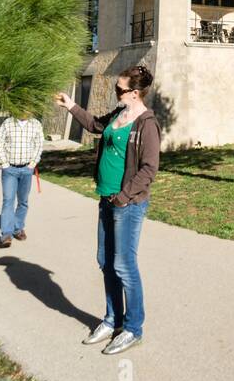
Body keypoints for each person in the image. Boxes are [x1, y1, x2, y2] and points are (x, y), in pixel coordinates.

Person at [54, 65, 161, 356]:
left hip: (127, 203)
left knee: (124, 266)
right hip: (106, 199)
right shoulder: (118, 114)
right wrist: (71, 105)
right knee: (105, 261)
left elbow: (150, 168)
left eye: (119, 89)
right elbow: (95, 126)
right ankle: (112, 319)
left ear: (135, 93)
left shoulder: (146, 123)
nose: (116, 92)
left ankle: (133, 328)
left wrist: (125, 196)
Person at [0, 109, 45, 248]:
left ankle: (17, 228)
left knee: (23, 201)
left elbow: (39, 145)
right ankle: (6, 234)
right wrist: (4, 163)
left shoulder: (35, 124)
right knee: (8, 201)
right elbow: (0, 143)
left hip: (26, 169)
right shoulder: (8, 123)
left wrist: (33, 163)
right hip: (9, 169)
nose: (26, 110)